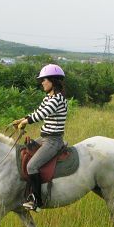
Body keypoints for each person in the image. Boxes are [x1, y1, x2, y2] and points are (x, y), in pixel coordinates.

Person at [13, 64, 68, 211]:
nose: (42, 82)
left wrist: (25, 122)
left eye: (45, 80)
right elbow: (37, 111)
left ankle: (37, 201)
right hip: (44, 138)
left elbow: (42, 115)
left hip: (53, 141)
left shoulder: (58, 99)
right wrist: (21, 119)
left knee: (32, 166)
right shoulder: (48, 98)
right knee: (23, 153)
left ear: (53, 81)